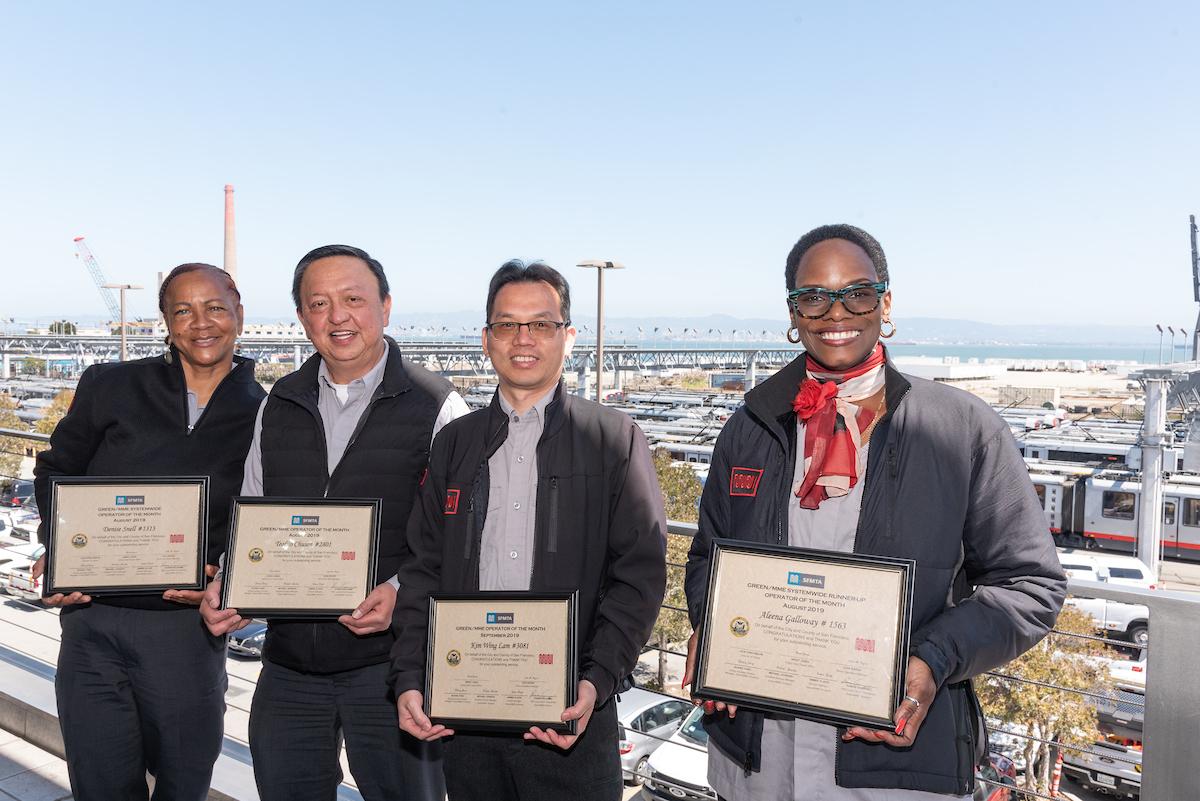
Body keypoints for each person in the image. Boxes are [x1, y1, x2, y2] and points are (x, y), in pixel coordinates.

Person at [682, 224, 1067, 799]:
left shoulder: (963, 430)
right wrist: (711, 624)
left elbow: (1031, 585)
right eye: (813, 295)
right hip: (757, 763)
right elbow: (708, 556)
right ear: (792, 312)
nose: (836, 311)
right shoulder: (750, 425)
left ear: (885, 303)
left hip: (894, 773)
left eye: (857, 292)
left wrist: (933, 660)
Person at [390, 259, 667, 801]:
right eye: (507, 324)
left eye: (541, 324)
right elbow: (422, 569)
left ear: (568, 337)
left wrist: (597, 680)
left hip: (571, 715)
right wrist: (409, 677)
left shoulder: (614, 439)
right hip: (465, 716)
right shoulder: (454, 444)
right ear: (487, 338)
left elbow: (639, 574)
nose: (523, 338)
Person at [200, 244, 467, 801]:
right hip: (290, 664)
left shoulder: (439, 407)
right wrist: (230, 580)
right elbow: (253, 507)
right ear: (302, 318)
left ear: (386, 307)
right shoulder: (280, 402)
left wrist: (399, 590)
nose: (337, 316)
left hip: (393, 671)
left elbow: (464, 538)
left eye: (353, 299)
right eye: (318, 303)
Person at [32, 263, 266, 801]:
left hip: (185, 630)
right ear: (165, 321)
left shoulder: (269, 414)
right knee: (101, 787)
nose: (200, 322)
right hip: (93, 623)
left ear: (239, 313)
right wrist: (60, 544)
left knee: (184, 785)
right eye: (182, 310)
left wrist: (233, 577)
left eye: (214, 307)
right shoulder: (110, 385)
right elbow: (55, 468)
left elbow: (265, 517)